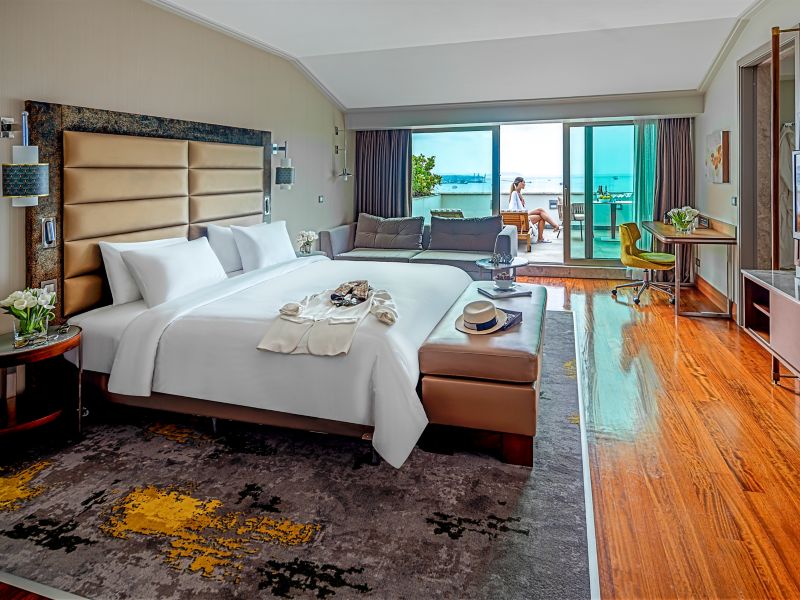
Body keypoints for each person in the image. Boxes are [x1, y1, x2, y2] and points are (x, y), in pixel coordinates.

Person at [507, 177, 560, 243]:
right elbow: (512, 209)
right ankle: (552, 229)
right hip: (520, 219)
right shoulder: (514, 193)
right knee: (541, 214)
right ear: (520, 183)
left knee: (541, 211)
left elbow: (520, 208)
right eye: (524, 182)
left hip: (522, 216)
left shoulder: (518, 194)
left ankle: (553, 227)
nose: (525, 184)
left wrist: (522, 202)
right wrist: (523, 209)